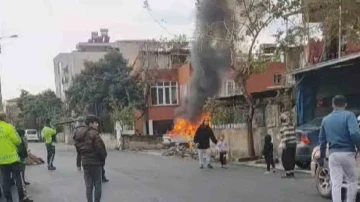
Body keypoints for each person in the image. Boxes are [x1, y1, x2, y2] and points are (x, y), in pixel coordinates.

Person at [318, 95, 360, 202]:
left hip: (333, 154)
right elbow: (355, 133)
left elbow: (322, 140)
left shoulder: (325, 119)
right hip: (348, 153)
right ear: (345, 105)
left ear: (333, 105)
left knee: (336, 183)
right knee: (351, 180)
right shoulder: (349, 116)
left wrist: (322, 156)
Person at [0, 112, 33, 202]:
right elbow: (17, 141)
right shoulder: (9, 127)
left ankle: (9, 200)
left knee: (5, 181)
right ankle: (22, 198)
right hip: (13, 159)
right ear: (5, 118)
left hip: (1, 161)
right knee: (18, 179)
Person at [74, 115, 107, 202]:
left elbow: (78, 148)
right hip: (96, 163)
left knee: (89, 186)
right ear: (91, 124)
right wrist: (103, 158)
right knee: (97, 185)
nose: (97, 125)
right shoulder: (94, 133)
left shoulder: (79, 133)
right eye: (96, 123)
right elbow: (101, 149)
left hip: (86, 163)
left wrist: (83, 156)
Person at [279, 112, 297, 178]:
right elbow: (294, 133)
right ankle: (291, 173)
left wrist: (284, 143)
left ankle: (288, 173)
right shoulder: (291, 125)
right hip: (293, 143)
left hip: (288, 144)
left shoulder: (284, 126)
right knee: (291, 158)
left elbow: (286, 134)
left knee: (285, 159)